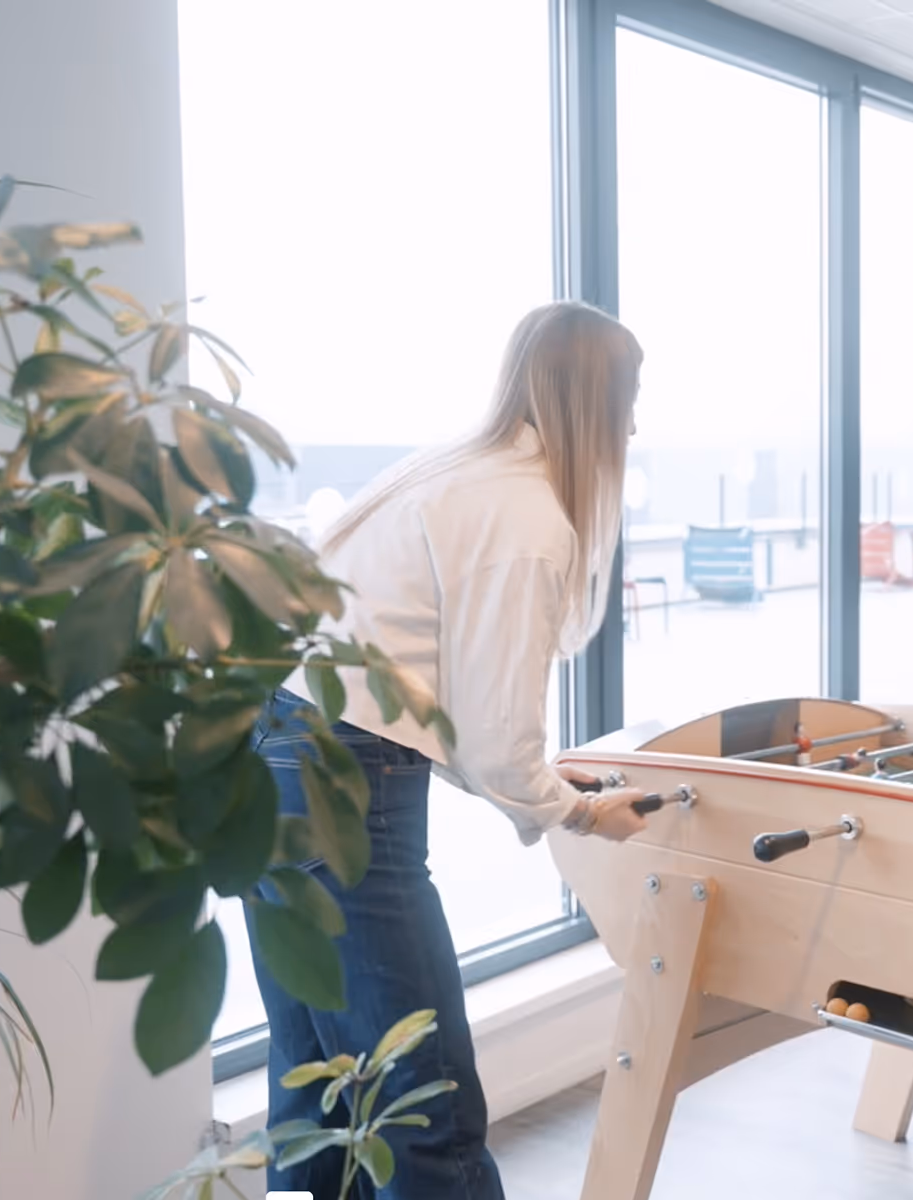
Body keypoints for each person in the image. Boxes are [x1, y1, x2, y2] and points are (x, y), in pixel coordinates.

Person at [245, 301, 653, 1199]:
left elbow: (443, 708)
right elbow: (498, 734)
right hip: (344, 782)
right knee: (422, 1098)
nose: (633, 423)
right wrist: (577, 812)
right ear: (593, 403)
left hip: (267, 754)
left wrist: (544, 784)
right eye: (628, 399)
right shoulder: (529, 521)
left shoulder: (446, 472)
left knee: (317, 1089)